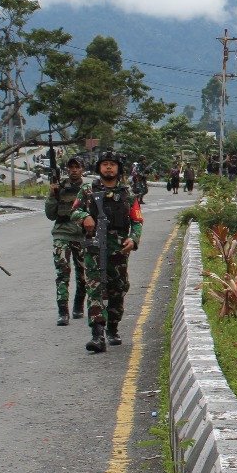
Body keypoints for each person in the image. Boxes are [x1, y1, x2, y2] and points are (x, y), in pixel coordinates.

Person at [71, 150, 142, 354]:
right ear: (99, 167)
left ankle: (113, 328)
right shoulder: (87, 190)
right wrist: (84, 217)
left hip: (119, 250)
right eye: (104, 164)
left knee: (118, 290)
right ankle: (97, 333)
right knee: (94, 288)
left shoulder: (128, 194)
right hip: (94, 248)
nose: (108, 167)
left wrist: (134, 239)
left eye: (112, 164)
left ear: (118, 168)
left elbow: (137, 220)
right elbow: (74, 211)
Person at [45, 155, 88, 326]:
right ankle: (63, 311)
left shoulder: (87, 189)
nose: (74, 171)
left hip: (81, 235)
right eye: (71, 168)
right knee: (62, 272)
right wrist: (52, 195)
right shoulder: (60, 187)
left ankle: (78, 305)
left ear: (82, 169)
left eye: (77, 167)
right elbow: (50, 215)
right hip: (61, 233)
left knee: (83, 274)